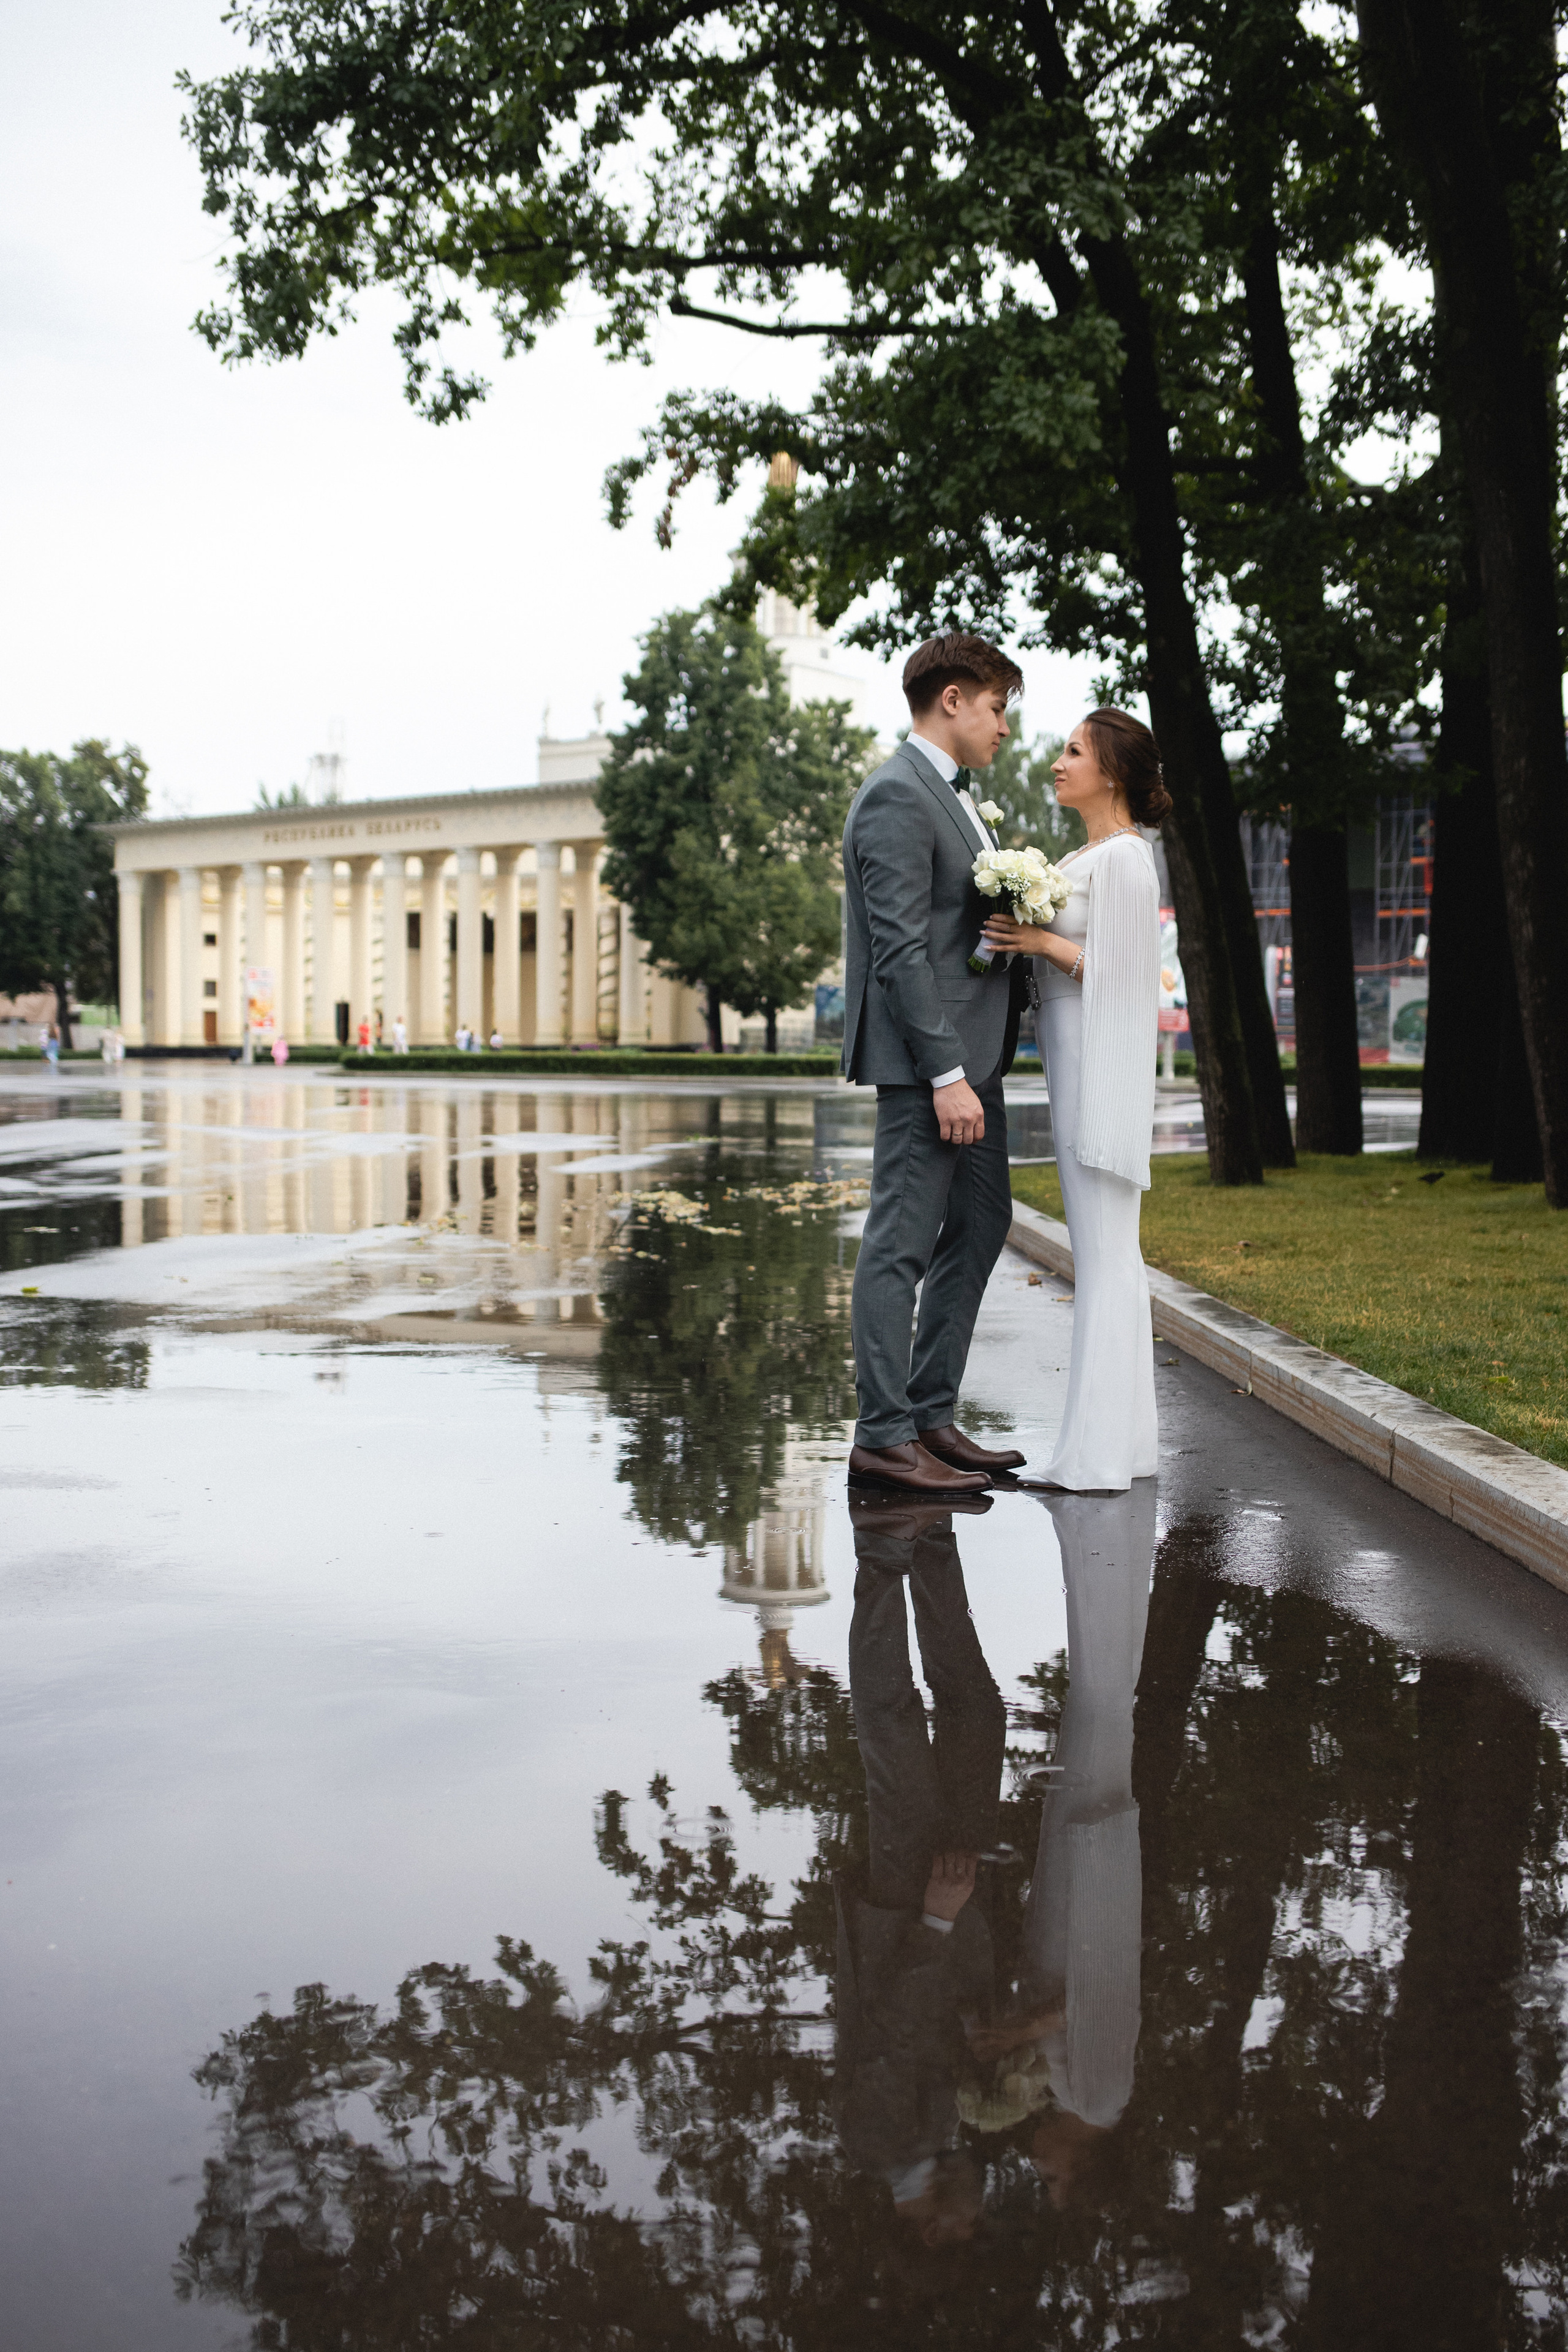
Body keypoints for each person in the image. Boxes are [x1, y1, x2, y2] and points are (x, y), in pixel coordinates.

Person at [841, 631, 1033, 1498]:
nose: (1004, 730)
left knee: (983, 1221)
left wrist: (1002, 944)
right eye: (997, 709)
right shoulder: (897, 794)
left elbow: (950, 939)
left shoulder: (953, 796)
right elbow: (899, 953)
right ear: (952, 699)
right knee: (900, 1244)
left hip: (975, 1057)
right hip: (936, 1068)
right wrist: (946, 1074)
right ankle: (883, 1438)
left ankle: (929, 1413)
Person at [981, 709, 1166, 1492]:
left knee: (1103, 1248)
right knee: (1103, 1248)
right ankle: (1121, 1445)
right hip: (1068, 1045)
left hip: (1098, 1054)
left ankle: (1096, 1456)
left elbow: (1131, 977)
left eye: (1073, 752)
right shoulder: (1084, 855)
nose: (1057, 763)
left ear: (1113, 772)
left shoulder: (1124, 858)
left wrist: (1044, 944)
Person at [834, 1493, 1005, 2250]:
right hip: (955, 1910)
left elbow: (893, 2033)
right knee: (976, 1713)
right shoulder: (935, 2143)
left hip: (910, 1903)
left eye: (967, 2219)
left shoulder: (876, 2143)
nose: (979, 2202)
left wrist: (936, 1917)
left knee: (890, 1718)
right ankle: (930, 1536)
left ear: (935, 2228)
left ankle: (883, 1550)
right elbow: (943, 2039)